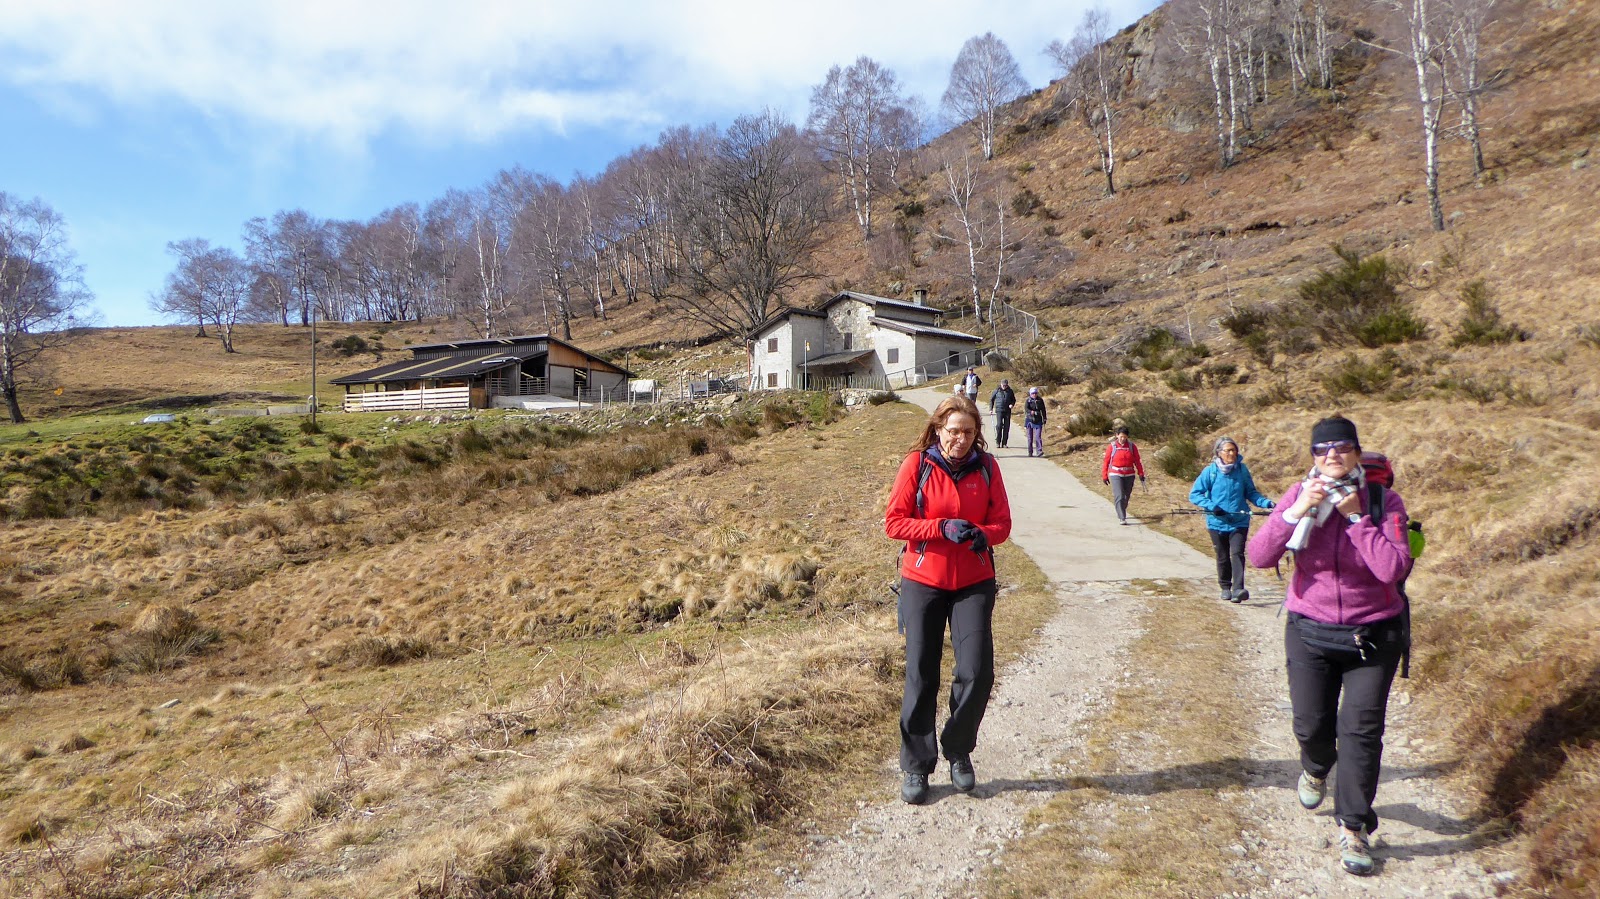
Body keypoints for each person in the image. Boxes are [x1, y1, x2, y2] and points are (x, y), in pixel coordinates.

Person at [1247, 416, 1412, 877]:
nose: (1332, 455)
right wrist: (1296, 511)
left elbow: (1391, 569)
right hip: (1310, 631)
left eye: (1341, 447)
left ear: (1357, 452)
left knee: (1361, 734)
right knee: (1311, 725)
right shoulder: (1299, 494)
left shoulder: (1383, 502)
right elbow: (1259, 556)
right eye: (1322, 449)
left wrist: (1356, 517)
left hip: (1373, 635)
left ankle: (1354, 827)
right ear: (1313, 456)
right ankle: (1317, 767)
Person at [884, 396, 1012, 805]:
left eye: (968, 432)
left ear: (977, 434)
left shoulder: (987, 467)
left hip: (974, 581)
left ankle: (958, 749)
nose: (960, 439)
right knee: (921, 674)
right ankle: (916, 765)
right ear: (938, 430)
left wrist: (982, 534)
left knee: (977, 672)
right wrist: (940, 528)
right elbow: (894, 523)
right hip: (923, 580)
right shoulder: (917, 465)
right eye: (953, 431)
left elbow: (1003, 524)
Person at [1189, 436, 1276, 602]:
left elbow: (1251, 493)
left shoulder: (1242, 470)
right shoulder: (1210, 472)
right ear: (1219, 453)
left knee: (1237, 553)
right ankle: (1225, 587)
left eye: (1234, 450)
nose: (1231, 453)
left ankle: (1238, 589)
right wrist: (1212, 507)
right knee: (1222, 556)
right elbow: (1195, 494)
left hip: (1239, 521)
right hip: (1216, 522)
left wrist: (1267, 503)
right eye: (1227, 450)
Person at [1100, 426, 1146, 524]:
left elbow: (1137, 461)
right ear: (1117, 435)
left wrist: (1141, 473)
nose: (1123, 439)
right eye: (1121, 436)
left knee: (1126, 496)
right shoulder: (1112, 446)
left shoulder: (1132, 446)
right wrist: (1104, 475)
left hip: (1129, 474)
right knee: (1119, 495)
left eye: (1125, 437)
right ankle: (1122, 517)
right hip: (1116, 474)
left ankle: (1121, 509)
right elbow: (1106, 461)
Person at [988, 379, 1016, 448]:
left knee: (1006, 426)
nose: (1004, 387)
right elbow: (991, 399)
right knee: (999, 425)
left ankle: (1004, 443)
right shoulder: (997, 390)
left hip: (1007, 410)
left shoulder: (1010, 391)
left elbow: (1013, 400)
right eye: (1003, 385)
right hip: (999, 410)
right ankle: (998, 442)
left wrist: (1012, 404)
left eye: (1005, 385)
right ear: (1001, 384)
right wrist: (990, 409)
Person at [1022, 387, 1047, 457]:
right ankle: (1030, 451)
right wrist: (1031, 411)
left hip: (1038, 419)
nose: (1034, 394)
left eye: (1035, 393)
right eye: (1033, 393)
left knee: (1038, 436)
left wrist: (1044, 418)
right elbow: (1026, 408)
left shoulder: (1040, 400)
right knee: (1030, 437)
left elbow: (1043, 410)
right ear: (1030, 394)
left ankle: (1039, 451)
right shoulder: (1028, 400)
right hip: (1029, 420)